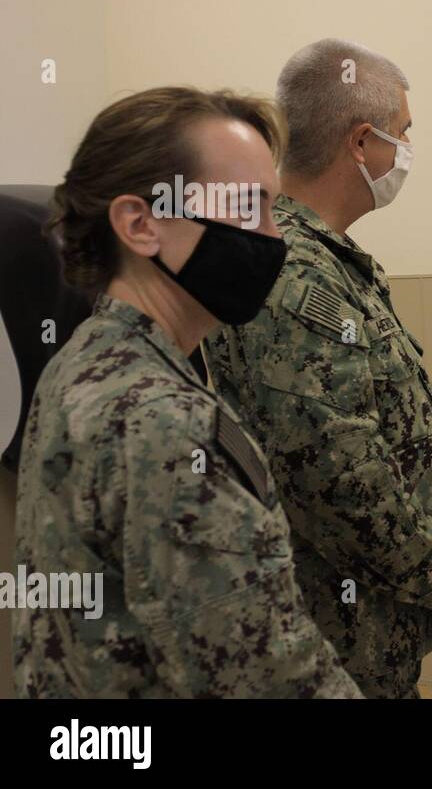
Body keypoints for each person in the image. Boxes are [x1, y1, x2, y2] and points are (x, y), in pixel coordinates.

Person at [13, 87, 360, 698]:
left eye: (274, 210)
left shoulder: (90, 359)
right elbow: (266, 679)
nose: (274, 239)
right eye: (249, 208)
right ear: (141, 224)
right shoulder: (163, 420)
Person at [205, 39, 432, 699]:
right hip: (333, 648)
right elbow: (338, 480)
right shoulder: (293, 276)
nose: (409, 151)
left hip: (370, 637)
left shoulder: (328, 263)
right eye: (404, 134)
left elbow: (378, 432)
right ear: (362, 142)